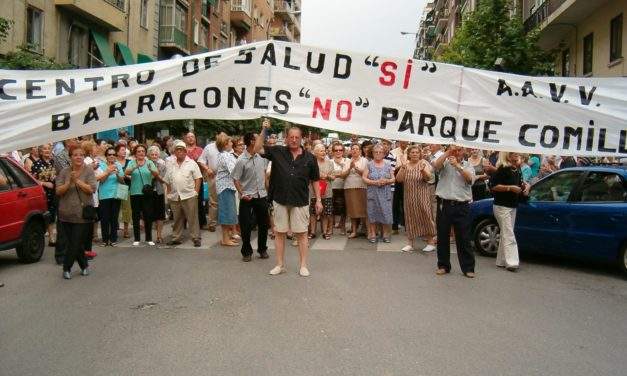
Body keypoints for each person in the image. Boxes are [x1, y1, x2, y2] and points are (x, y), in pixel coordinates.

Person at [254, 119, 321, 277]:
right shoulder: (277, 151)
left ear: (301, 138)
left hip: (300, 200)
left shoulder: (310, 158)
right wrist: (264, 130)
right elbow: (257, 148)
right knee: (279, 233)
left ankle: (303, 265)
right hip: (280, 199)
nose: (294, 139)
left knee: (302, 234)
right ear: (286, 138)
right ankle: (279, 265)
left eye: (297, 137)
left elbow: (315, 180)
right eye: (291, 137)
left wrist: (318, 200)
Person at [433, 146, 476, 278]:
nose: (457, 152)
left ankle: (468, 267)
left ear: (465, 152)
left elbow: (470, 179)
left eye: (460, 150)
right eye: (455, 150)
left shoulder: (468, 165)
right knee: (442, 236)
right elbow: (435, 165)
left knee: (464, 237)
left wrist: (458, 166)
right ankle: (443, 265)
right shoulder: (445, 163)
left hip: (461, 205)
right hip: (444, 204)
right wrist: (447, 152)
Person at [55, 144, 97, 279]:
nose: (78, 157)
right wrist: (69, 182)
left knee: (75, 241)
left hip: (82, 214)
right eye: (75, 155)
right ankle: (84, 265)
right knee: (75, 243)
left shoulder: (89, 170)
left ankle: (66, 268)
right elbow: (58, 191)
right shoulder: (64, 172)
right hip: (65, 213)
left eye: (81, 155)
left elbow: (91, 189)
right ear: (70, 157)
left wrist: (77, 181)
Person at [232, 132, 270, 262]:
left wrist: (267, 190)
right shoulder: (241, 160)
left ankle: (262, 249)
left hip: (261, 195)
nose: (260, 140)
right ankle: (246, 251)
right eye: (257, 138)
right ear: (252, 142)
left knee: (264, 224)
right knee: (246, 225)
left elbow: (264, 174)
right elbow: (236, 179)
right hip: (247, 197)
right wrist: (242, 194)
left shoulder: (261, 157)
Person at [489, 152, 530, 272]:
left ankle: (501, 260)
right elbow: (493, 185)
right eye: (513, 153)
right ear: (508, 155)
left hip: (513, 205)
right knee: (508, 233)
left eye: (517, 153)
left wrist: (526, 187)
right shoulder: (503, 168)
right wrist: (510, 188)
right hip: (502, 206)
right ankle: (512, 262)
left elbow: (520, 184)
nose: (516, 155)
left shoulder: (516, 169)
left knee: (506, 233)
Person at [396, 145, 437, 252]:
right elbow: (399, 179)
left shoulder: (424, 163)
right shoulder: (406, 165)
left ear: (420, 154)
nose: (414, 154)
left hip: (422, 196)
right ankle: (410, 243)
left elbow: (428, 178)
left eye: (416, 152)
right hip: (409, 197)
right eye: (412, 152)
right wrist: (403, 167)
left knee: (425, 216)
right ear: (408, 154)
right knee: (410, 218)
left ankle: (430, 242)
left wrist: (423, 171)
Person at [165, 140, 203, 247]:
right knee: (177, 218)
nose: (180, 152)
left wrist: (196, 192)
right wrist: (168, 194)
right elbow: (167, 180)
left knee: (192, 218)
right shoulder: (171, 164)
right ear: (175, 152)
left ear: (185, 152)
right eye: (177, 150)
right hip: (175, 196)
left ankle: (196, 238)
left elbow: (198, 178)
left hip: (189, 195)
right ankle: (176, 237)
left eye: (182, 150)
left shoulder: (191, 163)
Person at [125, 144, 158, 246]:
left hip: (147, 193)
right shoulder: (131, 162)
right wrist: (134, 167)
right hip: (135, 192)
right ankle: (137, 238)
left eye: (143, 151)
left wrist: (151, 169)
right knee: (136, 215)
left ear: (145, 153)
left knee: (148, 215)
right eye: (139, 151)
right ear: (135, 153)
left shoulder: (149, 162)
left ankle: (149, 238)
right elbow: (126, 172)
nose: (141, 153)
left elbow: (156, 174)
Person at [362, 144, 395, 243]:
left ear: (384, 154)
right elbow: (364, 178)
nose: (378, 154)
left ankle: (385, 234)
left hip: (385, 193)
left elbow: (393, 178)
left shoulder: (388, 164)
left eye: (380, 152)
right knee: (372, 213)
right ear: (372, 153)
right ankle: (372, 233)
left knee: (385, 213)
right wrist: (374, 182)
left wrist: (386, 181)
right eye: (375, 152)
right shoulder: (369, 164)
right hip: (373, 193)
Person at [96, 147, 124, 246]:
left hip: (116, 195)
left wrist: (117, 174)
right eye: (109, 154)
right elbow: (101, 181)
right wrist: (108, 172)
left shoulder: (119, 165)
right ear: (106, 156)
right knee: (104, 218)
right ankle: (104, 240)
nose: (111, 156)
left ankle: (113, 239)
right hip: (104, 195)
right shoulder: (102, 166)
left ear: (115, 156)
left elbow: (122, 181)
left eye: (113, 154)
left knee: (114, 218)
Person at [215, 133, 239, 246]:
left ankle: (226, 237)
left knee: (228, 212)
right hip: (225, 187)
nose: (231, 143)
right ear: (225, 144)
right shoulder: (225, 156)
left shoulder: (225, 155)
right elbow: (234, 171)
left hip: (226, 186)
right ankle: (225, 239)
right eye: (229, 142)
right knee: (226, 213)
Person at [31, 144, 57, 246]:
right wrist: (45, 183)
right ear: (40, 151)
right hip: (42, 193)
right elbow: (33, 180)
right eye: (44, 149)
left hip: (53, 193)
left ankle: (52, 238)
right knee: (43, 215)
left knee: (52, 214)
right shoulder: (36, 164)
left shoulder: (52, 162)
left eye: (49, 149)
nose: (47, 150)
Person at [342, 144, 368, 238]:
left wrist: (356, 168)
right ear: (350, 151)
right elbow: (343, 175)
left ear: (360, 151)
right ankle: (354, 231)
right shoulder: (347, 161)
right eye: (353, 149)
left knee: (363, 209)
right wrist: (349, 168)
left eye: (357, 149)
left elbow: (366, 174)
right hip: (349, 187)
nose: (354, 151)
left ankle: (365, 229)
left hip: (362, 187)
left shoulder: (365, 161)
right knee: (352, 210)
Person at [309, 143, 334, 240]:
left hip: (327, 191)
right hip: (314, 191)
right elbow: (309, 176)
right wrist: (319, 175)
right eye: (321, 151)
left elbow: (333, 176)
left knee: (325, 213)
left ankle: (324, 232)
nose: (323, 152)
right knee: (313, 213)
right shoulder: (311, 162)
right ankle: (313, 232)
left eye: (324, 150)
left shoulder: (330, 163)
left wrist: (327, 176)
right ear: (315, 153)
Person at [185, 132, 207, 230]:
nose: (190, 138)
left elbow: (204, 163)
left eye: (192, 137)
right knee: (185, 201)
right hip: (185, 179)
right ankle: (184, 222)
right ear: (186, 139)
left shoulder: (200, 150)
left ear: (195, 138)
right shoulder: (183, 150)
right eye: (188, 137)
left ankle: (202, 222)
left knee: (199, 200)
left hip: (198, 178)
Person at [198, 135, 219, 232]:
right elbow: (201, 161)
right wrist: (207, 169)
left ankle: (227, 223)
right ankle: (212, 223)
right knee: (213, 201)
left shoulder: (227, 146)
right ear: (217, 136)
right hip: (213, 176)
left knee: (226, 200)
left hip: (226, 177)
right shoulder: (209, 147)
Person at [148, 145, 168, 244]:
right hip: (148, 192)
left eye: (156, 154)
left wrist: (156, 175)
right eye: (152, 154)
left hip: (159, 191)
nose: (154, 156)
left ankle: (159, 235)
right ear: (149, 155)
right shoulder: (146, 165)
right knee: (149, 214)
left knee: (160, 215)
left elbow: (163, 180)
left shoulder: (162, 165)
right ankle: (149, 236)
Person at [330, 141, 349, 235]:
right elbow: (329, 174)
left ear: (343, 151)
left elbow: (346, 174)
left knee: (344, 208)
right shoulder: (329, 161)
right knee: (331, 207)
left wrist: (337, 173)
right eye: (336, 150)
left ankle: (342, 226)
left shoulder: (347, 161)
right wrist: (341, 173)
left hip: (344, 187)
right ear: (333, 151)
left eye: (340, 150)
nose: (338, 152)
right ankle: (331, 226)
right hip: (332, 187)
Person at [390, 140, 408, 234]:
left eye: (406, 141)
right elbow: (392, 168)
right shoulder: (393, 152)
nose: (404, 142)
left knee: (407, 203)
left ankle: (407, 227)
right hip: (397, 178)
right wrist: (401, 166)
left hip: (409, 178)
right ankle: (395, 226)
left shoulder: (411, 151)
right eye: (402, 141)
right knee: (396, 203)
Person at [115, 144, 132, 239]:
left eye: (125, 150)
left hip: (126, 187)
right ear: (117, 152)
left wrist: (127, 176)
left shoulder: (129, 162)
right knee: (116, 209)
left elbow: (133, 174)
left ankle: (126, 230)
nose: (124, 152)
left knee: (126, 209)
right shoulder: (113, 162)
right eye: (122, 150)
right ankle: (115, 228)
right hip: (115, 187)